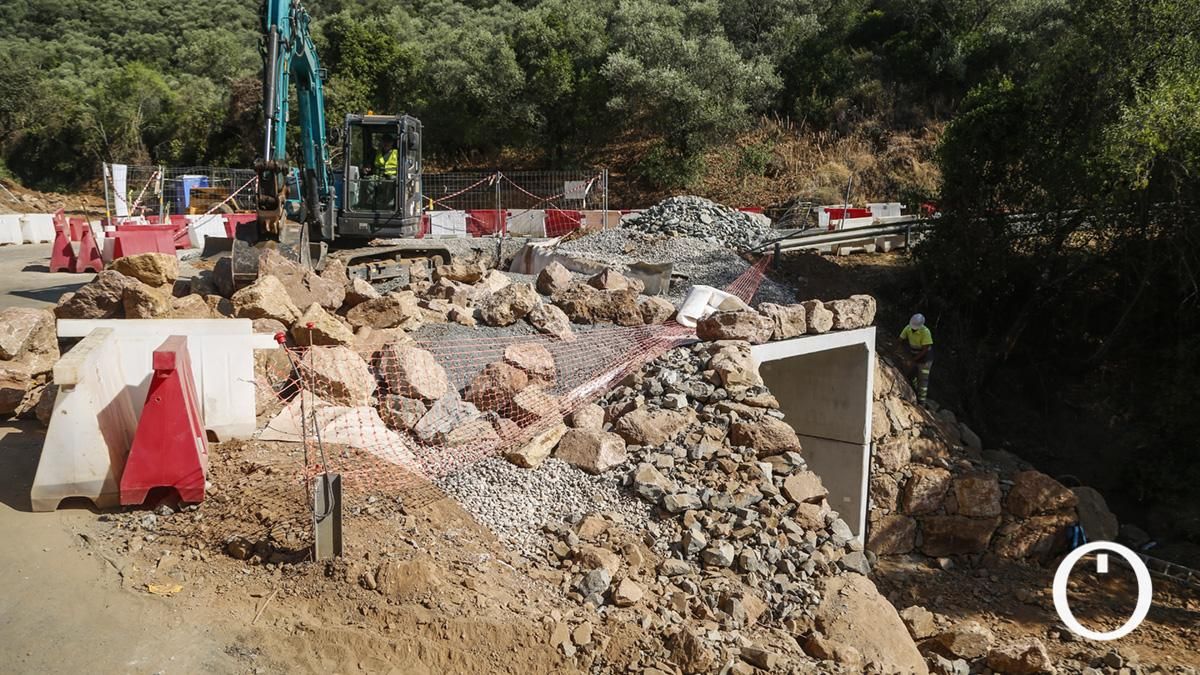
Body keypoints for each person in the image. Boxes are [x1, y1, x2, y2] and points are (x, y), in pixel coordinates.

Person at [899, 313, 934, 404]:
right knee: (910, 375)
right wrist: (898, 350)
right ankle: (915, 392)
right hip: (914, 355)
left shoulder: (925, 332)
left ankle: (922, 402)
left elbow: (925, 350)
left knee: (923, 380)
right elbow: (900, 340)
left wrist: (912, 360)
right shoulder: (908, 328)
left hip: (926, 358)